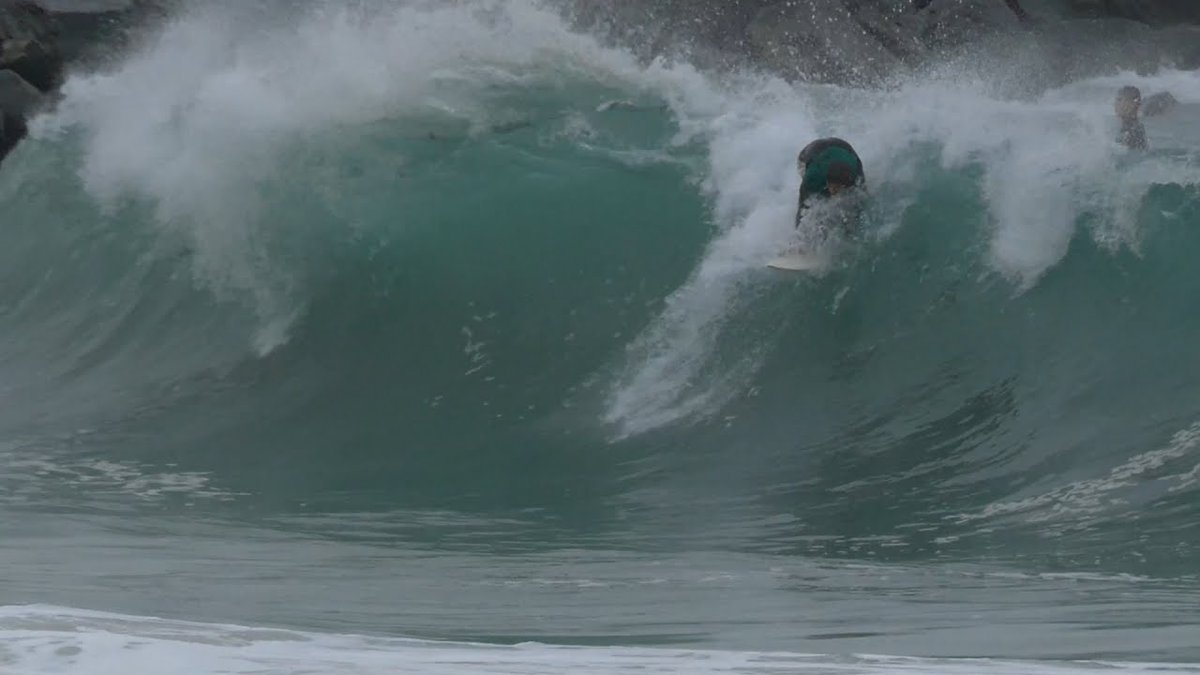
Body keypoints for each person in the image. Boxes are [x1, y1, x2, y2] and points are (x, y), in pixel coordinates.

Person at [795, 137, 866, 228]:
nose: (834, 191)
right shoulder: (813, 176)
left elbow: (862, 199)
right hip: (807, 156)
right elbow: (802, 208)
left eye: (838, 188)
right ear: (827, 181)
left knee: (854, 197)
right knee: (817, 196)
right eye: (833, 187)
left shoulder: (856, 171)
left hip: (844, 149)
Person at [1115, 86, 1147, 150]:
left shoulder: (1133, 132)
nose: (1115, 104)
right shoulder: (1135, 128)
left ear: (1132, 104)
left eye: (1119, 100)